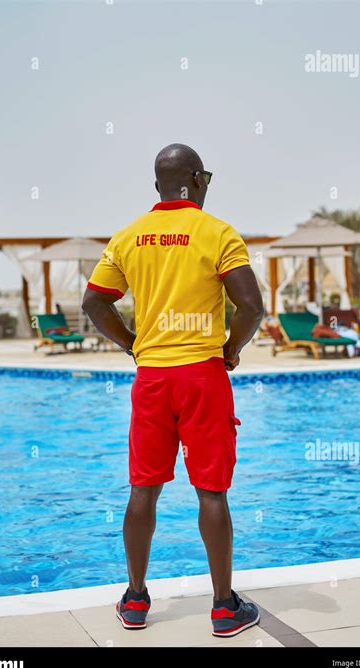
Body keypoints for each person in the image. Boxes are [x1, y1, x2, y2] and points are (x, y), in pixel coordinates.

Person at [83, 143, 264, 638]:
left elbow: (95, 303)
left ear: (158, 185)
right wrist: (230, 349)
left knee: (144, 488)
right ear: (197, 180)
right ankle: (224, 608)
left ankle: (136, 601)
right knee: (211, 490)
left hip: (153, 378)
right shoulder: (217, 232)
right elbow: (252, 307)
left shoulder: (128, 237)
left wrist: (133, 345)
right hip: (202, 376)